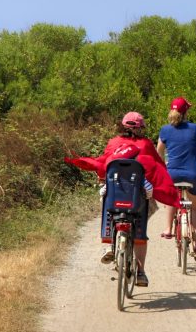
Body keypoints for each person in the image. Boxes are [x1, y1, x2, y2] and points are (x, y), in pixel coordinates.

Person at [66, 112, 179, 287]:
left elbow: (105, 165)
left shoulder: (114, 143)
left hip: (115, 195)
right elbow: (157, 168)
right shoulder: (146, 144)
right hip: (137, 197)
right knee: (140, 231)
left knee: (107, 204)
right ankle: (140, 272)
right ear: (140, 128)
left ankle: (111, 243)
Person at [156, 96, 196, 261]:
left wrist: (162, 167)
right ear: (186, 112)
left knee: (171, 199)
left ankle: (168, 229)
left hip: (172, 175)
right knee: (195, 208)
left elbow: (159, 152)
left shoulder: (165, 130)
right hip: (193, 174)